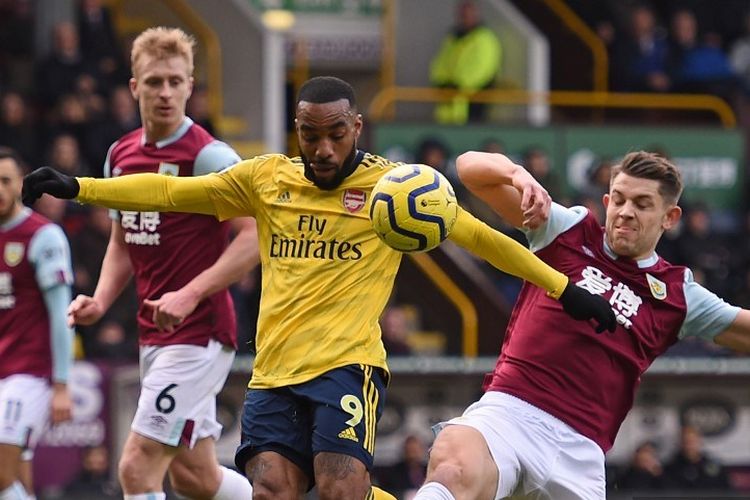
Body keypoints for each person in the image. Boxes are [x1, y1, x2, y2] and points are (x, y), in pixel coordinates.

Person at [22, 75, 615, 500]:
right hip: (274, 371)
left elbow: (482, 238)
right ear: (296, 130)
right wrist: (80, 187)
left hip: (346, 366)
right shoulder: (265, 178)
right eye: (310, 134)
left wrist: (564, 289)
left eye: (336, 133)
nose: (324, 148)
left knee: (338, 489)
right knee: (273, 490)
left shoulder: (397, 190)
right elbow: (174, 195)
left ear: (356, 126)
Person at [410, 150, 750, 499]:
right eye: (618, 199)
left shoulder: (679, 296)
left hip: (580, 452)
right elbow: (469, 170)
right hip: (510, 412)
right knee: (453, 465)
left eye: (643, 204)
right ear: (606, 200)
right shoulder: (567, 229)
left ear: (670, 217)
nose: (626, 212)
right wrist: (517, 175)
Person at [55, 27, 257, 500]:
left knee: (136, 467)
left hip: (200, 332)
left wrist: (191, 292)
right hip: (154, 334)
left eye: (174, 81)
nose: (164, 93)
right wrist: (101, 299)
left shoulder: (210, 157)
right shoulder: (120, 155)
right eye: (153, 82)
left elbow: (254, 238)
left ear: (190, 86)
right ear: (133, 87)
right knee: (196, 478)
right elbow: (124, 240)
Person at [0, 147, 74, 500]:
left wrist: (61, 384)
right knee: (17, 481)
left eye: (5, 181)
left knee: (1, 472)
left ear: (20, 185)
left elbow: (62, 312)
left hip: (29, 375)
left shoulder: (42, 236)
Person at [429, 0, 501, 124]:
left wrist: (459, 85)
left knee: (469, 141)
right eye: (462, 15)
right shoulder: (452, 38)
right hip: (447, 107)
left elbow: (482, 69)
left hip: (471, 104)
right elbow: (440, 63)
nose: (465, 18)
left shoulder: (484, 38)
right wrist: (440, 82)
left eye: (468, 14)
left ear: (476, 14)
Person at [664, 424, 731, 490]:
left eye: (693, 441)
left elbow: (727, 490)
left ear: (700, 442)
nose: (690, 445)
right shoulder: (671, 468)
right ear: (680, 444)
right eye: (686, 442)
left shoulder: (713, 465)